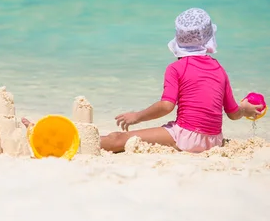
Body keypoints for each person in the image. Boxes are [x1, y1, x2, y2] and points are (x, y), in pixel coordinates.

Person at [21, 8, 263, 154]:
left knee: (119, 139)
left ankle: (62, 141)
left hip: (188, 137)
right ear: (209, 41)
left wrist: (136, 116)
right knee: (147, 132)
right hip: (214, 140)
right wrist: (245, 108)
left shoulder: (176, 68)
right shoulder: (219, 69)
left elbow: (167, 105)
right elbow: (232, 113)